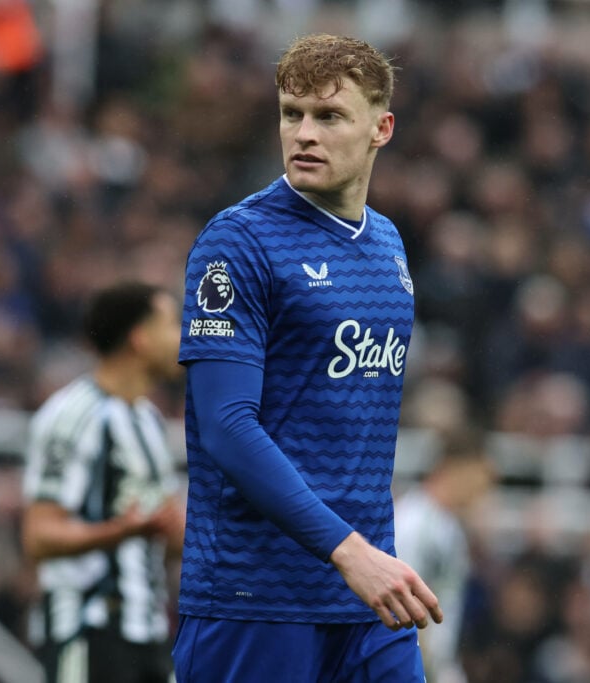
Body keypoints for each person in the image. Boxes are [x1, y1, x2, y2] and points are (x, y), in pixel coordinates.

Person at [172, 33, 442, 683]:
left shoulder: (388, 246)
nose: (304, 134)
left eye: (329, 116)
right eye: (292, 114)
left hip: (369, 598)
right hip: (256, 599)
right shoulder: (239, 240)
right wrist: (348, 551)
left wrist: (367, 558)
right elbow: (228, 426)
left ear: (381, 128)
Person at [21, 281, 185, 683]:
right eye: (172, 324)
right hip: (88, 631)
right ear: (140, 338)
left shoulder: (147, 421)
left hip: (148, 633)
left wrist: (177, 532)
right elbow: (39, 537)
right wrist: (121, 531)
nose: (182, 336)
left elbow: (160, 536)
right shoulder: (73, 416)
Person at [394, 428, 495, 683]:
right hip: (412, 664)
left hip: (436, 665)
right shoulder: (415, 522)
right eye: (481, 476)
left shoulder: (448, 527)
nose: (484, 489)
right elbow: (403, 600)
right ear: (456, 468)